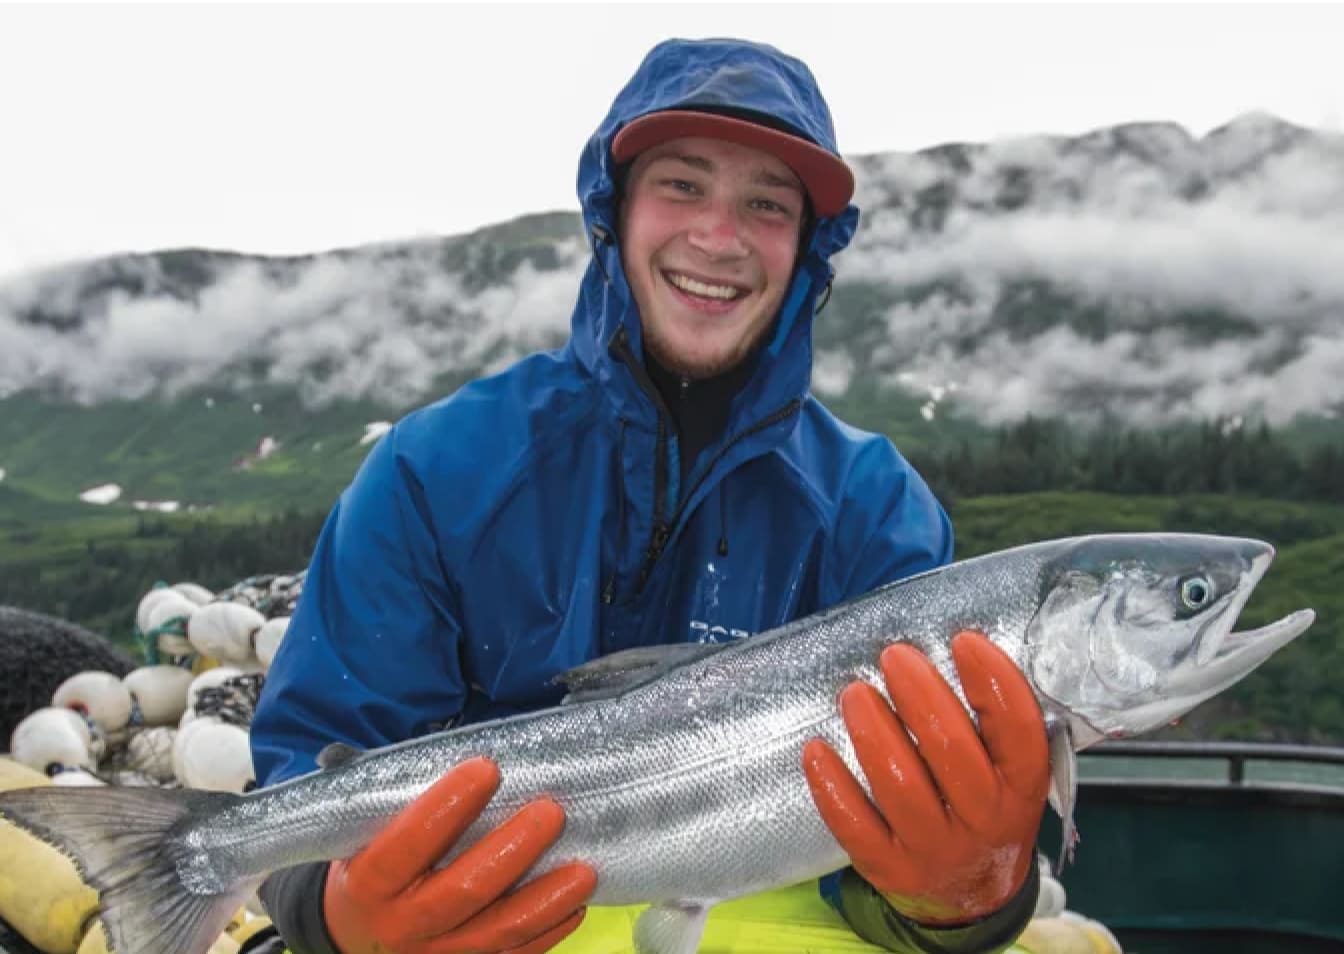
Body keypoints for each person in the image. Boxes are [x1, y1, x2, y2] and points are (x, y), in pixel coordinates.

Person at [249, 36, 1049, 954]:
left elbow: (887, 894)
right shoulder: (436, 472)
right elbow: (307, 768)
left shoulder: (876, 512)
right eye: (681, 185)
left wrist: (962, 901)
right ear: (613, 210)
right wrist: (331, 917)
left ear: (809, 248)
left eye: (767, 204)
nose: (720, 237)